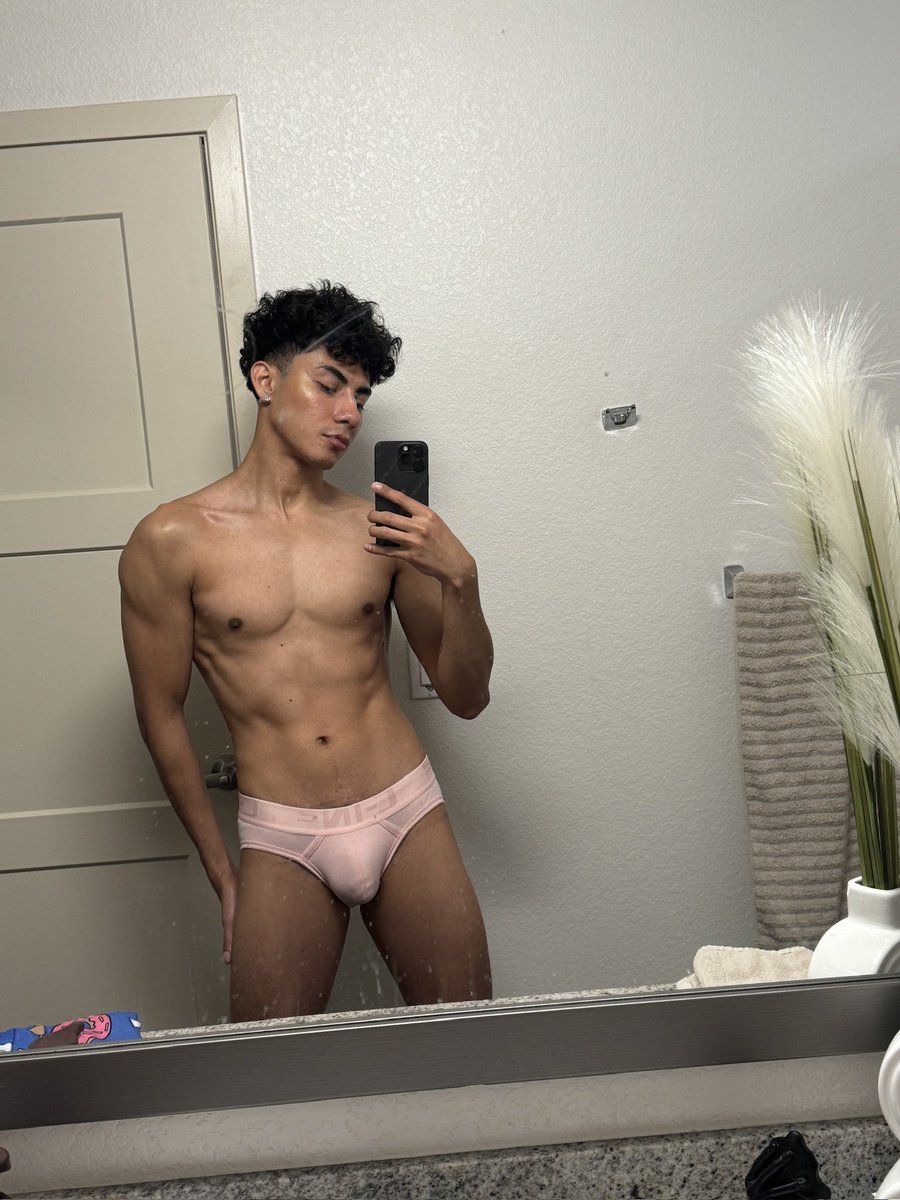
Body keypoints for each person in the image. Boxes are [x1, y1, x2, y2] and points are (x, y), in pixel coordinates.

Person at [119, 283, 493, 1020]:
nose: (350, 412)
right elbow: (159, 715)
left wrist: (462, 581)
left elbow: (467, 697)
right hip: (283, 835)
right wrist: (224, 874)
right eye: (329, 384)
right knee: (270, 1070)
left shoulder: (382, 531)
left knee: (470, 1044)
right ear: (265, 379)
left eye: (361, 394)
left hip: (405, 811)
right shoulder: (171, 540)